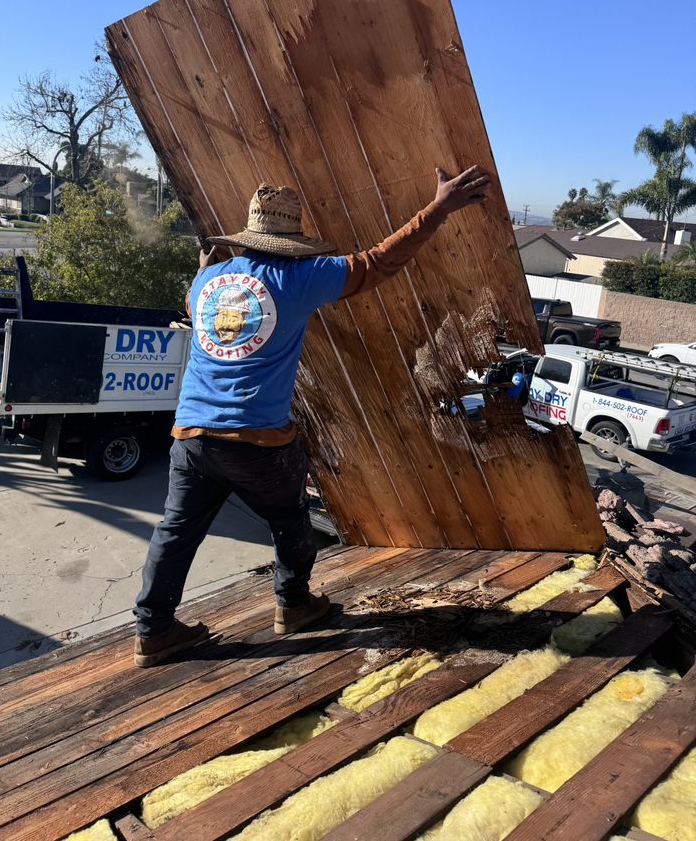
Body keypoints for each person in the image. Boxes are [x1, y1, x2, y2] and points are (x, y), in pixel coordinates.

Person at [133, 164, 491, 667]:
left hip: (190, 435)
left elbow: (198, 313)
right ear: (291, 241)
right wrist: (439, 207)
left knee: (177, 529)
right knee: (289, 517)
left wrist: (201, 269)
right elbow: (378, 262)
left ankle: (153, 632)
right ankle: (294, 605)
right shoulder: (298, 277)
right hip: (256, 440)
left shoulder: (207, 281)